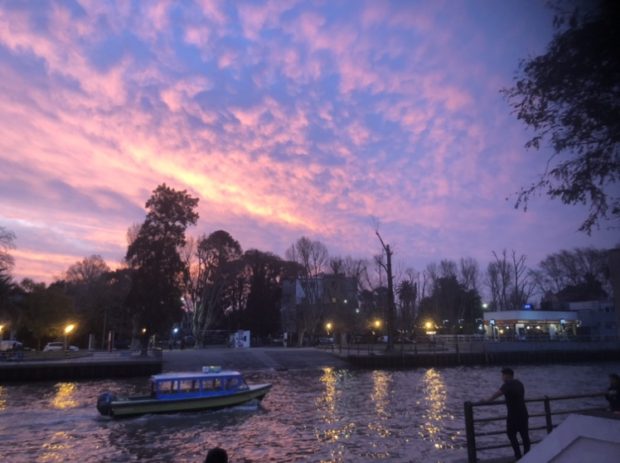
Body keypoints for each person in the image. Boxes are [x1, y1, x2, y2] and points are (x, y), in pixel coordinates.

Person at [486, 367, 531, 460]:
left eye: (502, 375)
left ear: (507, 376)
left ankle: (518, 455)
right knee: (525, 436)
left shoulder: (507, 385)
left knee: (511, 434)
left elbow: (497, 394)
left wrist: (487, 400)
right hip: (523, 413)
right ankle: (528, 456)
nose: (502, 377)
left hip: (513, 415)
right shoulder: (519, 383)